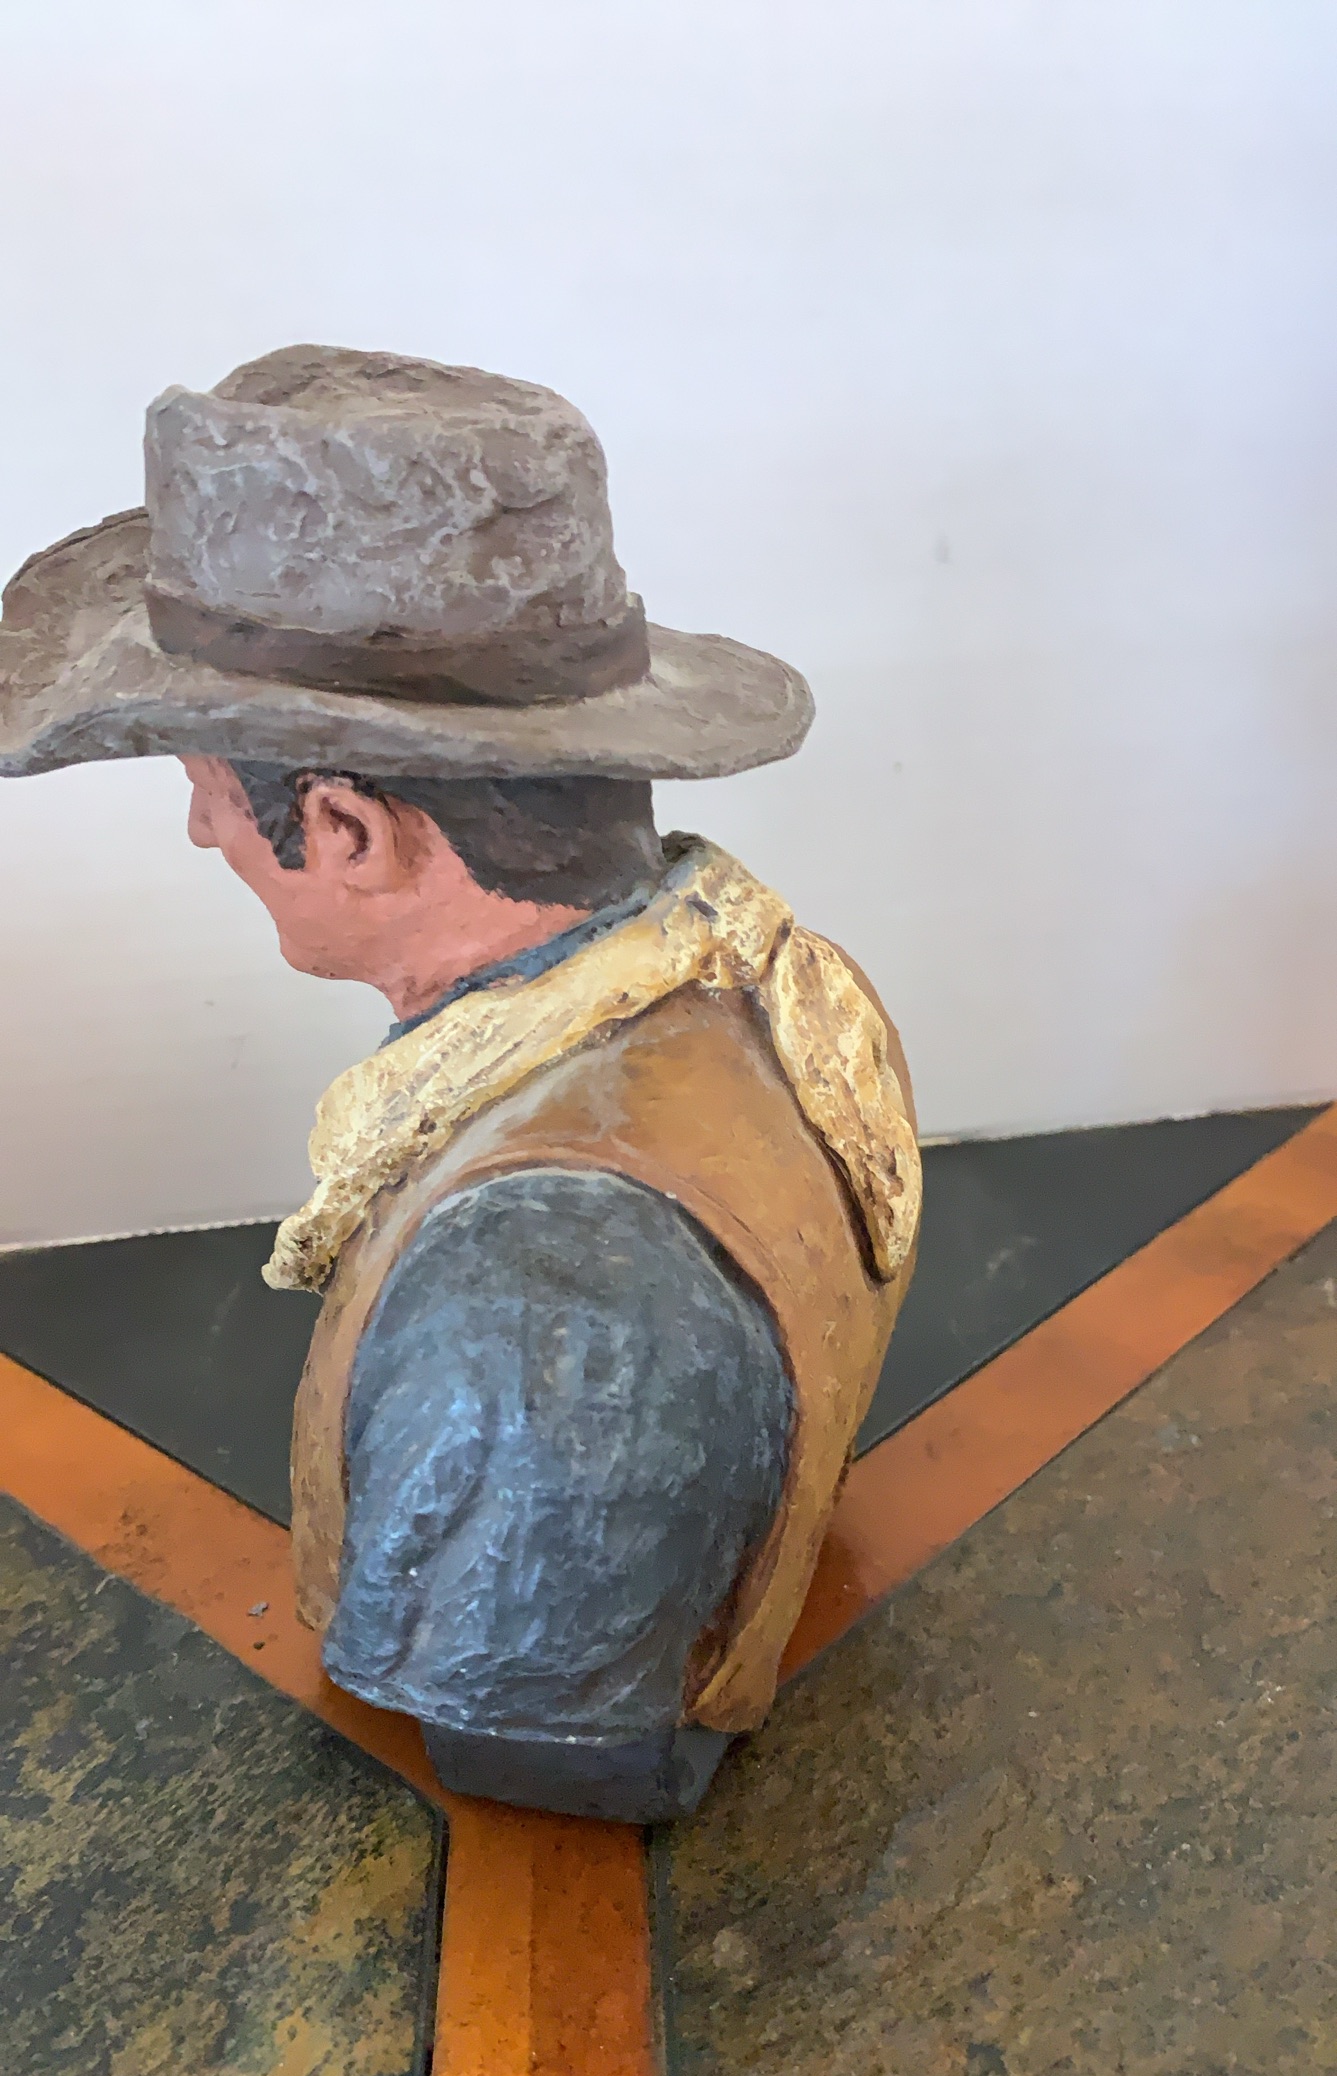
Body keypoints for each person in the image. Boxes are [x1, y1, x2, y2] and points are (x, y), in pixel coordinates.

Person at [0, 344, 921, 1820]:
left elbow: (524, 1714)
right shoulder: (769, 975)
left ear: (348, 830)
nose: (200, 835)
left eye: (206, 791)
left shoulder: (533, 1304)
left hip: (554, 1764)